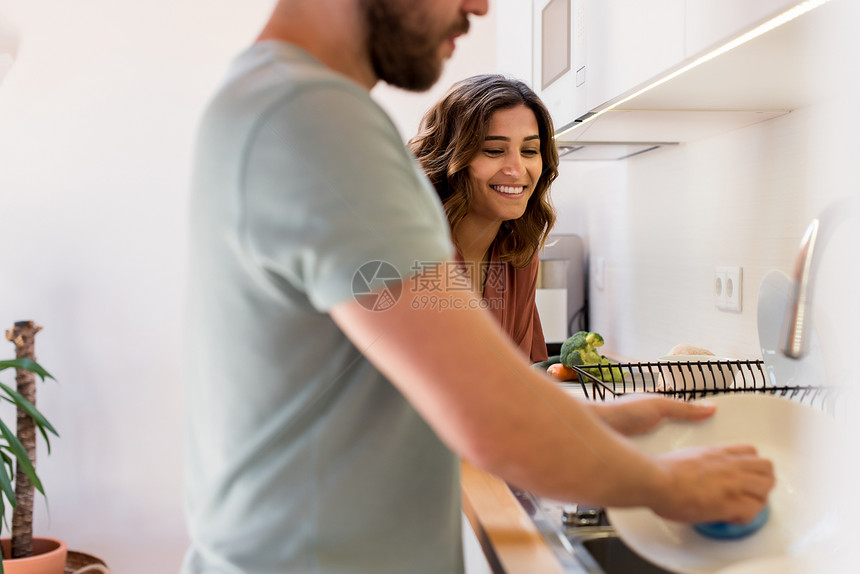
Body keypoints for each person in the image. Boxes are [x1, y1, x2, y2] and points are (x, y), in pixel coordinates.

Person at [182, 1, 775, 573]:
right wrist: (670, 485)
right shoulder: (313, 117)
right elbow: (489, 414)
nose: (482, 6)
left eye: (530, 151)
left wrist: (613, 421)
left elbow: (492, 385)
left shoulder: (275, 102)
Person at [410, 74, 557, 363]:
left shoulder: (519, 252)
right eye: (494, 151)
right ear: (450, 157)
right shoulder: (413, 246)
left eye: (529, 151)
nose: (517, 169)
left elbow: (522, 372)